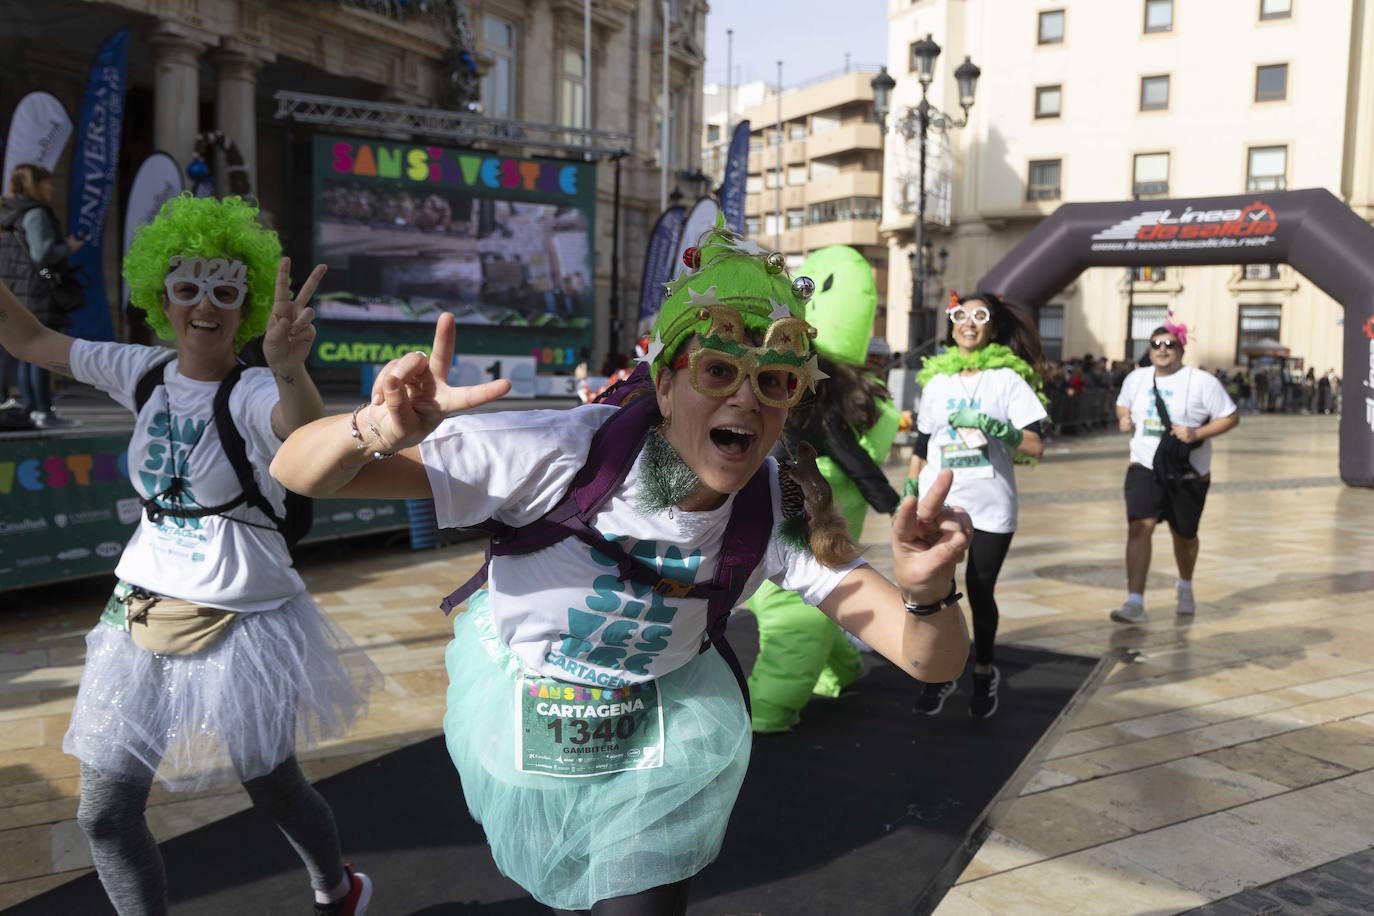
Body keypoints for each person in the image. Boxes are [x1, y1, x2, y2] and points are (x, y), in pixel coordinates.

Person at [271, 221, 972, 915]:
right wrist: (376, 430)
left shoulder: (781, 510)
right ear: (664, 386)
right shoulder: (553, 452)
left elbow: (928, 661)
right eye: (718, 370)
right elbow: (297, 471)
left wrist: (930, 590)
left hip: (661, 726)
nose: (745, 399)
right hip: (525, 698)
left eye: (774, 381)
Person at [0, 194, 379, 916]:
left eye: (226, 291)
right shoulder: (139, 369)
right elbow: (29, 342)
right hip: (138, 607)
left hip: (244, 619)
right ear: (160, 296)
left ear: (247, 304)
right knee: (104, 813)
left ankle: (338, 887)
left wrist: (289, 368)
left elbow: (298, 436)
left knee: (271, 782)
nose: (204, 307)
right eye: (186, 288)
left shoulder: (257, 390)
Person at [743, 244, 901, 733]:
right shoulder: (868, 402)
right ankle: (840, 668)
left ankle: (768, 709)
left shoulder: (820, 394)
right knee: (812, 598)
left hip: (800, 515)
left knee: (794, 610)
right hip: (807, 511)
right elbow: (867, 454)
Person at [903, 291, 1047, 719]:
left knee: (981, 591)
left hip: (990, 502)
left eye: (979, 316)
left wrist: (994, 426)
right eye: (960, 314)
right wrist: (909, 488)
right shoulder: (937, 381)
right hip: (940, 499)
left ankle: (984, 669)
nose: (968, 322)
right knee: (937, 591)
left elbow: (1037, 446)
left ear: (992, 327)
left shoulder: (1008, 381)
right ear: (952, 323)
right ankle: (942, 670)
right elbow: (923, 442)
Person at [1111, 324, 1239, 623]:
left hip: (1188, 472)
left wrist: (1198, 433)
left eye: (1169, 343)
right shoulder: (1137, 378)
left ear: (1181, 348)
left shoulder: (1201, 382)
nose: (1162, 349)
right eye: (1156, 344)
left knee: (1184, 535)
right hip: (1145, 465)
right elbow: (1121, 405)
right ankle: (1135, 601)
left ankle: (1185, 584)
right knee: (1140, 526)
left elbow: (1231, 416)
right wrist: (1124, 418)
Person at [0, 162, 85, 428]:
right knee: (40, 348)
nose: (52, 187)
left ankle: (32, 408)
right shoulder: (36, 213)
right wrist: (68, 247)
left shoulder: (9, 213)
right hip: (37, 290)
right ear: (34, 185)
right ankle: (42, 411)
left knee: (26, 350)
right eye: (47, 182)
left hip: (17, 289)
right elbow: (42, 254)